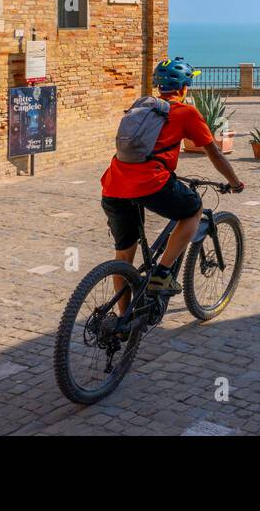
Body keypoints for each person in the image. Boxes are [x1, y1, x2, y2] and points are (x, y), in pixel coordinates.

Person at [100, 57, 244, 317]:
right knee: (192, 210)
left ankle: (123, 319)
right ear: (185, 87)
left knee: (123, 257)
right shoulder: (186, 113)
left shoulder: (142, 106)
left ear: (158, 86)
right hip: (151, 183)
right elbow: (215, 154)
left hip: (114, 184)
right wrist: (235, 182)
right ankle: (162, 274)